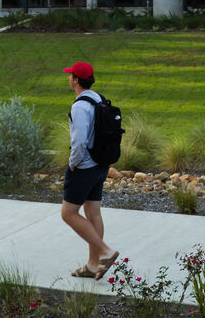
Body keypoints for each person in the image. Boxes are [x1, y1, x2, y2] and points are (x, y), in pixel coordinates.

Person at [61, 61, 118, 278]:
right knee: (93, 212)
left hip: (84, 167)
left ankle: (105, 251)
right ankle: (93, 264)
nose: (69, 78)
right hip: (100, 164)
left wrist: (73, 164)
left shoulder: (79, 106)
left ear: (76, 80)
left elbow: (79, 142)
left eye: (71, 75)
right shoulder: (98, 98)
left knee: (68, 213)